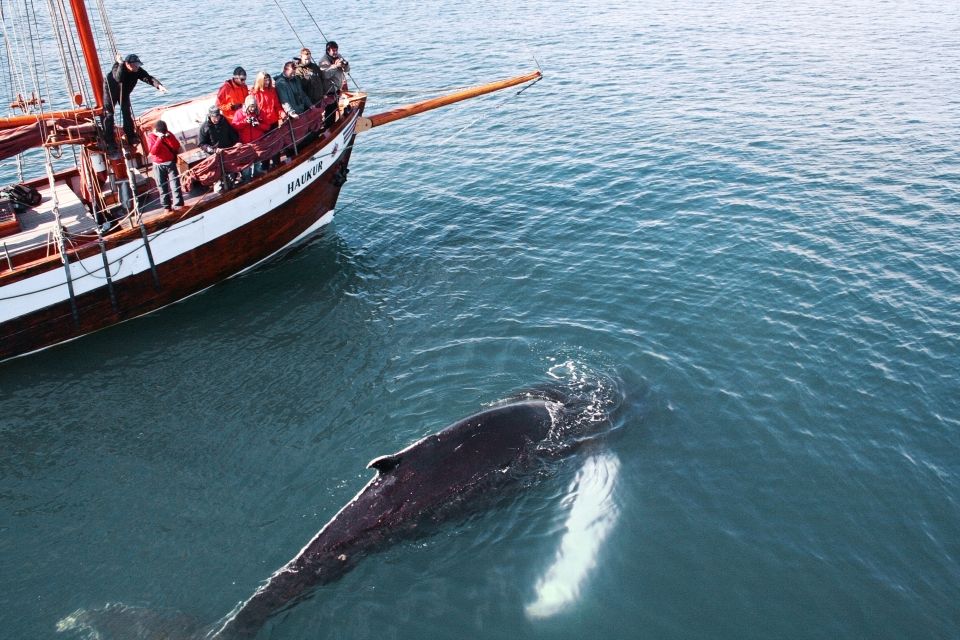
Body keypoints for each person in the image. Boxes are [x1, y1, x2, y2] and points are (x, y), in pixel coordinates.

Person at [103, 53, 166, 151]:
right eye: (136, 65)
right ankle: (110, 141)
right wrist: (120, 64)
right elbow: (118, 78)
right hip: (111, 91)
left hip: (124, 93)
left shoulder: (137, 71)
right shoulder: (117, 67)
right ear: (128, 64)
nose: (138, 67)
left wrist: (159, 86)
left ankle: (131, 136)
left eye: (138, 65)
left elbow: (148, 78)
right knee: (109, 114)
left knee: (126, 113)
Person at [146, 120, 183, 211]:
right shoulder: (151, 137)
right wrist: (159, 139)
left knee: (175, 185)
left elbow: (176, 146)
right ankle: (166, 206)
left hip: (170, 163)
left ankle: (179, 204)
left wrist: (169, 138)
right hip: (158, 165)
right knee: (162, 187)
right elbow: (153, 151)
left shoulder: (168, 133)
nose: (164, 132)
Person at [231, 96, 271, 179]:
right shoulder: (239, 113)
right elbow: (234, 126)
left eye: (254, 106)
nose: (252, 109)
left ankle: (258, 177)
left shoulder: (260, 112)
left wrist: (258, 124)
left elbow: (267, 126)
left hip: (258, 143)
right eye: (251, 107)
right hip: (245, 144)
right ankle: (246, 179)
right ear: (247, 106)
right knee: (246, 167)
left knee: (258, 164)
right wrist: (245, 121)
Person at [317, 41, 349, 128]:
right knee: (329, 112)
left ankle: (333, 125)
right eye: (333, 51)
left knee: (335, 109)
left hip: (337, 90)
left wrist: (345, 65)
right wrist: (335, 66)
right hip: (328, 92)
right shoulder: (323, 61)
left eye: (336, 50)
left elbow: (347, 70)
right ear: (328, 51)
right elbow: (325, 75)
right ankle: (328, 129)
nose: (335, 52)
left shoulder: (338, 56)